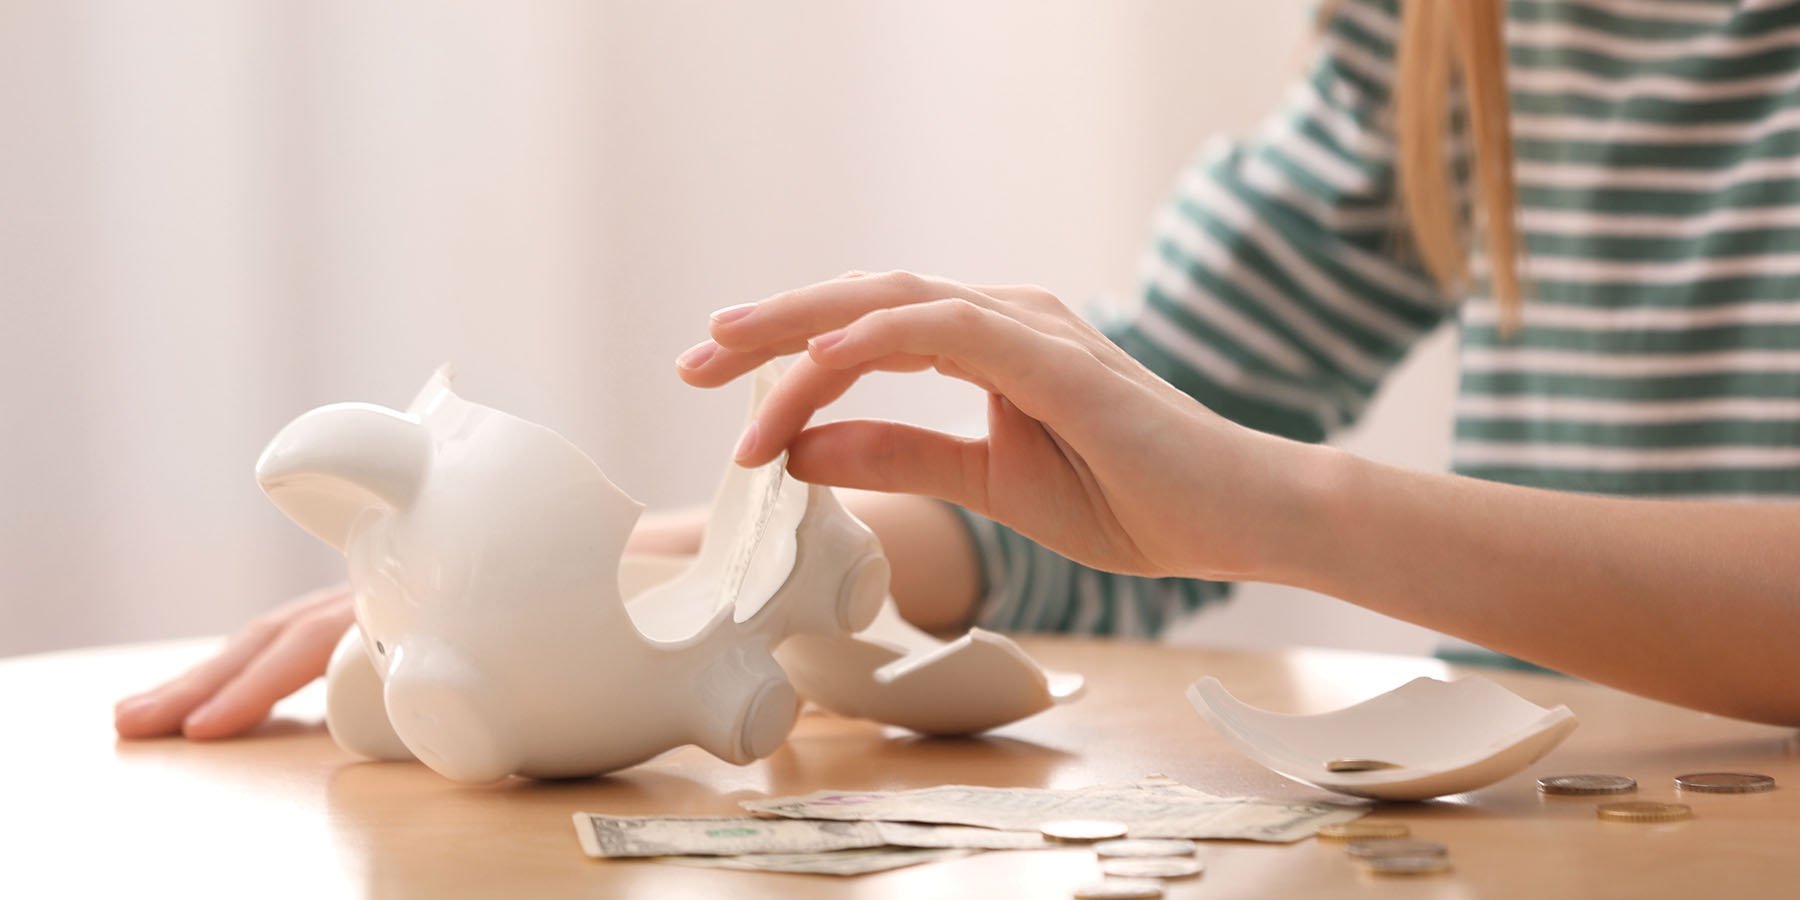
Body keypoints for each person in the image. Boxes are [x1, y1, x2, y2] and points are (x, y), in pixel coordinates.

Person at [116, 0, 1800, 741]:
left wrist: (1285, 507)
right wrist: (676, 573)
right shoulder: (1461, 23)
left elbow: (1230, 481)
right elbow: (1130, 458)